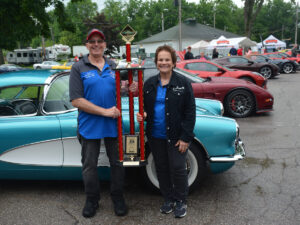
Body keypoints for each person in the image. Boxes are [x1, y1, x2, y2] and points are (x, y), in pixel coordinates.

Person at [69, 28, 135, 218]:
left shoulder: (114, 65)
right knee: (89, 165)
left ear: (105, 44)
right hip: (89, 124)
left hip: (113, 123)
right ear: (87, 45)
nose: (96, 44)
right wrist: (104, 112)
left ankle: (118, 197)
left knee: (117, 163)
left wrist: (128, 88)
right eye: (92, 41)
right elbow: (76, 100)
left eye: (100, 41)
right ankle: (92, 199)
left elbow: (118, 90)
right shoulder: (78, 67)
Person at [137, 45, 196, 218]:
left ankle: (180, 201)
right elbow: (145, 108)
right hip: (156, 136)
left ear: (173, 62)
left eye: (167, 60)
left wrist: (185, 137)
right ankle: (168, 199)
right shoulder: (149, 84)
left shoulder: (183, 83)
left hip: (177, 137)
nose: (164, 63)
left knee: (178, 168)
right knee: (161, 168)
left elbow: (190, 112)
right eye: (160, 60)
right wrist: (144, 115)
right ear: (156, 63)